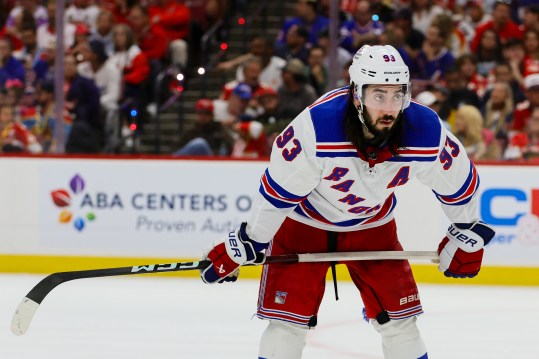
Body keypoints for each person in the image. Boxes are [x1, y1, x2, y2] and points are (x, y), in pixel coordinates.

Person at [199, 45, 496, 359]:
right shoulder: (316, 129)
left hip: (373, 226)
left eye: (398, 95)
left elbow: (460, 185)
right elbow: (277, 195)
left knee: (401, 322)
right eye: (378, 95)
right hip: (304, 225)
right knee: (286, 324)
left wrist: (467, 233)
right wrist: (246, 242)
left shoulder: (425, 131)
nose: (390, 107)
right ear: (356, 94)